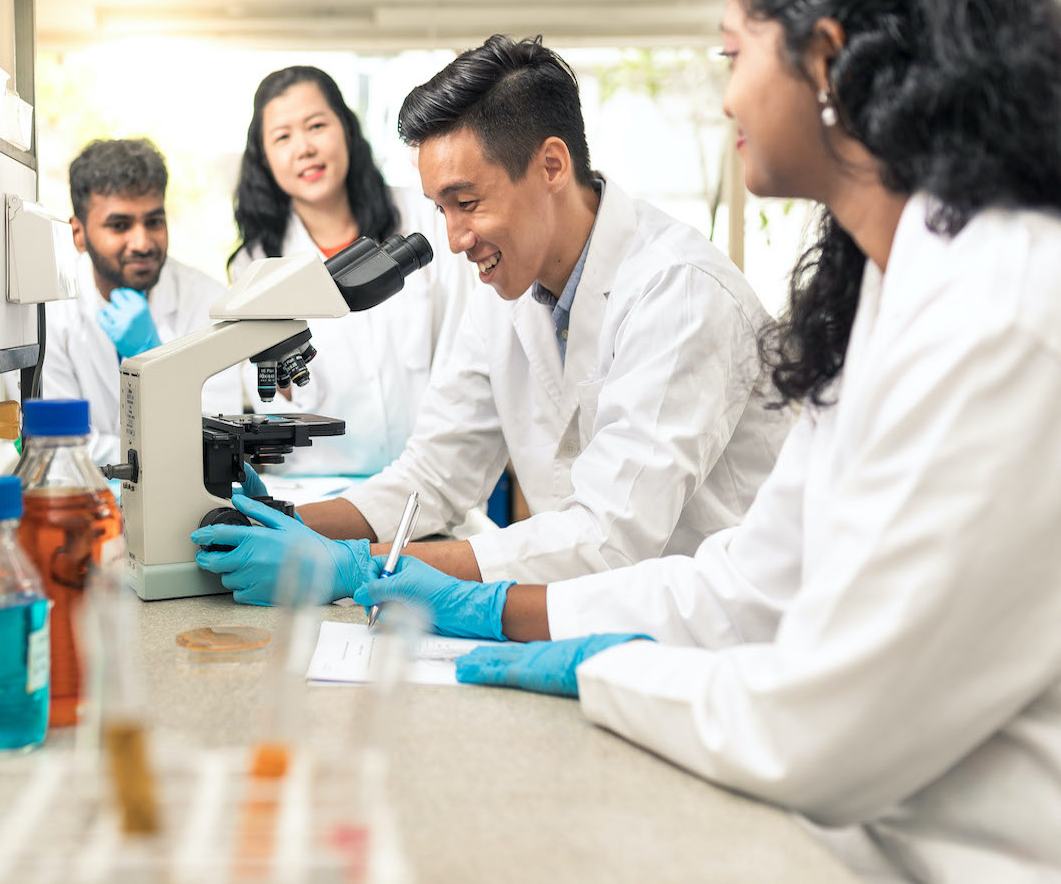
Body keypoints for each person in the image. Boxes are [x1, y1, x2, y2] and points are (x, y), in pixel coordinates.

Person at [344, 0, 1061, 877]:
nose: (724, 94)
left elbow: (823, 731)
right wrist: (514, 612)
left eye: (734, 53)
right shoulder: (883, 290)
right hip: (837, 821)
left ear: (828, 56)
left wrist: (602, 667)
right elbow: (750, 585)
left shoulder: (1004, 310)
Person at [194, 37, 792, 603]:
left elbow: (608, 539)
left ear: (552, 166)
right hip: (605, 612)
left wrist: (352, 566)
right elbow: (435, 474)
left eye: (467, 203)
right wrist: (281, 523)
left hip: (721, 631)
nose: (453, 239)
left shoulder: (678, 292)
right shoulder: (508, 291)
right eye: (440, 209)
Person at [229, 66, 472, 480]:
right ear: (264, 158)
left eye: (316, 125)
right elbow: (271, 401)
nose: (304, 148)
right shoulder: (255, 264)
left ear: (346, 129)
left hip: (428, 481)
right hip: (319, 486)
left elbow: (464, 341)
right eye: (283, 137)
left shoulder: (423, 214)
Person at [41, 138, 240, 463]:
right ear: (78, 234)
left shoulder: (208, 302)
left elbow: (217, 442)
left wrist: (154, 359)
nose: (143, 242)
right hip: (88, 503)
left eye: (154, 222)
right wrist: (161, 453)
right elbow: (58, 447)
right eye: (119, 225)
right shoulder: (50, 313)